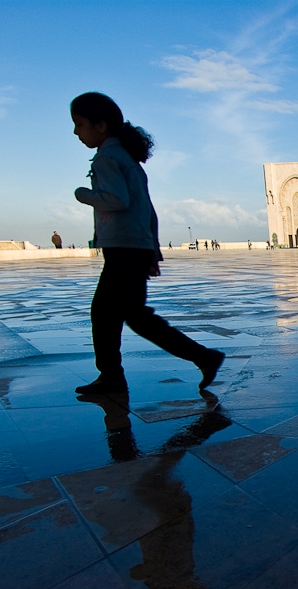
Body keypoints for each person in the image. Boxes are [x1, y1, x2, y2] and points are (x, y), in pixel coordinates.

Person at [69, 91, 224, 396]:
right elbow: (147, 210)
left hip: (123, 250)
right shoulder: (127, 159)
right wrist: (151, 250)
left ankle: (199, 357)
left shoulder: (108, 158)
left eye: (80, 124)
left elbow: (117, 200)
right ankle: (114, 374)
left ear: (100, 126)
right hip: (134, 248)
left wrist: (82, 194)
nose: (76, 132)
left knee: (117, 314)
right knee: (121, 314)